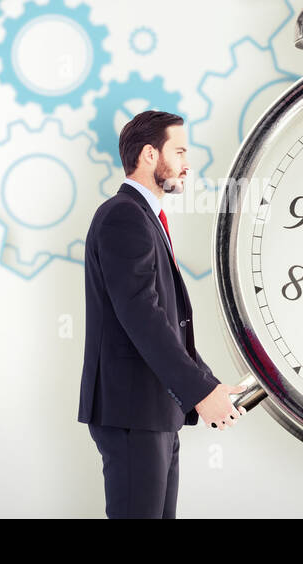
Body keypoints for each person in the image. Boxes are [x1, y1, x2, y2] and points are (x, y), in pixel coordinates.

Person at [78, 110, 247, 519]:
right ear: (150, 154)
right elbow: (142, 317)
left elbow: (168, 324)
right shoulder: (124, 216)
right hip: (134, 409)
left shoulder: (143, 217)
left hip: (152, 410)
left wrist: (208, 384)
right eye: (180, 150)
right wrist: (201, 392)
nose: (188, 164)